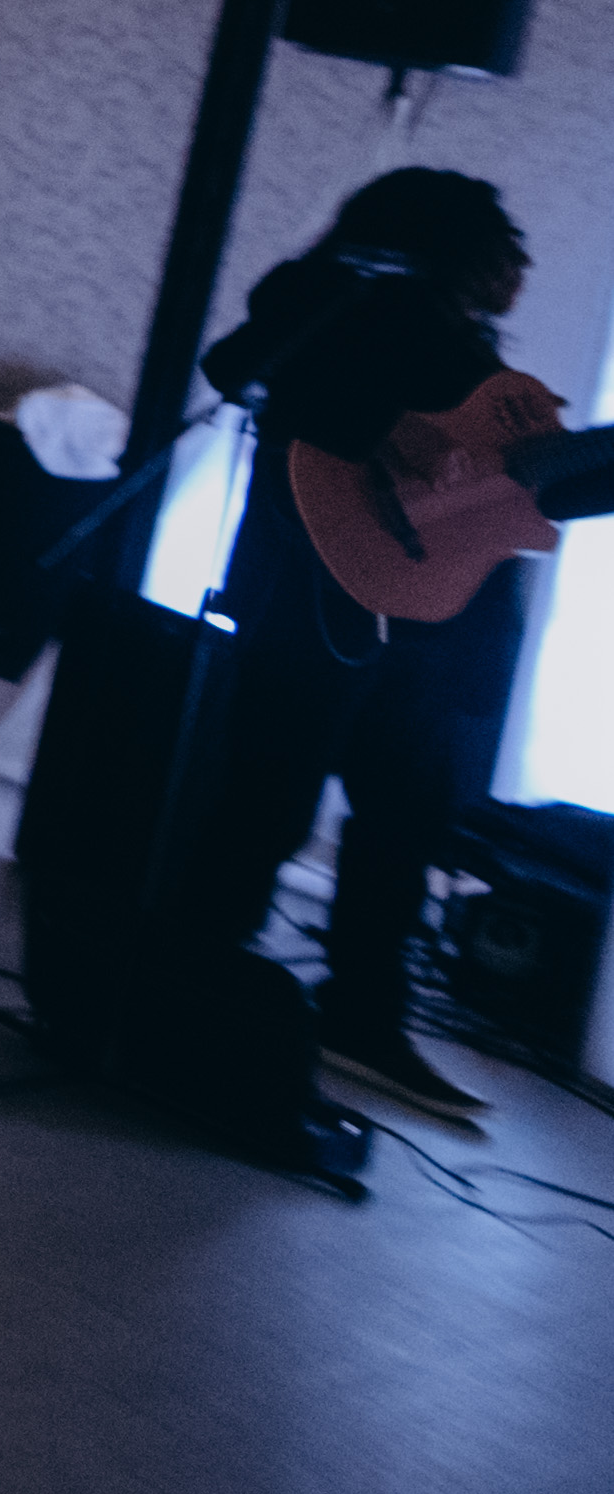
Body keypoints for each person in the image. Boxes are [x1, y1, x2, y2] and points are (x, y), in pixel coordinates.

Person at [178, 171, 557, 1128]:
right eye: (505, 249)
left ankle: (302, 1004)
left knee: (371, 812)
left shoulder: (340, 301)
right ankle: (214, 994)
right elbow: (257, 384)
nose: (520, 270)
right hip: (334, 605)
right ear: (456, 251)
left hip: (379, 613)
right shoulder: (376, 315)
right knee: (289, 801)